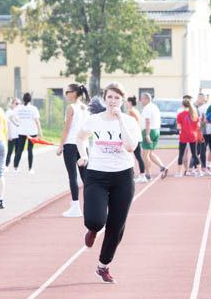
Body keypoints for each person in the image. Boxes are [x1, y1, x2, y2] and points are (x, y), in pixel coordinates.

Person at [77, 83, 141, 284]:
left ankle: (103, 265)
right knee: (95, 220)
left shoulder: (130, 121)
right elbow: (80, 138)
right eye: (110, 97)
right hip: (97, 175)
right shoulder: (94, 120)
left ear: (122, 101)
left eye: (117, 98)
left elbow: (131, 146)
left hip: (123, 177)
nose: (113, 101)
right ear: (104, 98)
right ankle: (93, 230)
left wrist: (121, 119)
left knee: (116, 225)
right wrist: (84, 155)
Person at [58, 83, 89, 217]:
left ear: (74, 93)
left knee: (73, 176)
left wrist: (60, 145)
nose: (66, 94)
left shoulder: (71, 107)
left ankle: (76, 207)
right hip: (83, 145)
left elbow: (67, 128)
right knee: (85, 177)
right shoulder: (86, 108)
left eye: (68, 92)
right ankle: (91, 205)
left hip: (71, 144)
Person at [139, 92, 168, 180]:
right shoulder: (155, 107)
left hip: (150, 131)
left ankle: (148, 175)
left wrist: (147, 135)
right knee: (150, 154)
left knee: (145, 155)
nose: (140, 101)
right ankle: (163, 167)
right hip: (156, 131)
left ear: (147, 99)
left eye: (142, 99)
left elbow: (148, 122)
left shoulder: (147, 108)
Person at [13, 92, 42, 173]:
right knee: (30, 150)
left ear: (23, 99)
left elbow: (13, 116)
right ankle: (30, 169)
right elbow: (37, 121)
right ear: (30, 99)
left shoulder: (19, 108)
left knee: (19, 150)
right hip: (32, 132)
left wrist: (17, 123)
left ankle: (15, 167)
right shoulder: (33, 108)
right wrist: (40, 131)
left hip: (21, 132)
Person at [177, 96, 201, 176]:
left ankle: (179, 172)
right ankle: (199, 172)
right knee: (194, 154)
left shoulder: (180, 114)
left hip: (184, 135)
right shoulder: (194, 114)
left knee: (181, 154)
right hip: (193, 135)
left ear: (183, 105)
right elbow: (198, 125)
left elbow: (178, 127)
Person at [126, 96, 148, 183]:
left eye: (127, 102)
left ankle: (142, 175)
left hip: (134, 136)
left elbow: (135, 123)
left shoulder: (132, 111)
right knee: (135, 156)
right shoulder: (134, 110)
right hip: (136, 136)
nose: (125, 103)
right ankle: (137, 174)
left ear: (130, 103)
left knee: (137, 156)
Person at [4, 98, 21, 167]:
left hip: (19, 135)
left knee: (17, 152)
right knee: (10, 151)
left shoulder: (19, 112)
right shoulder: (8, 112)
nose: (18, 105)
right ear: (12, 104)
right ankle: (6, 165)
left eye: (19, 104)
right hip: (12, 135)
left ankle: (15, 166)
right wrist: (9, 135)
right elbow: (7, 124)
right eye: (16, 103)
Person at [194, 93, 208, 172]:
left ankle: (203, 166)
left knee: (202, 150)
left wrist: (202, 122)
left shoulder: (205, 107)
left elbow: (204, 120)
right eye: (199, 98)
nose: (199, 100)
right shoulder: (195, 107)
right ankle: (194, 167)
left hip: (204, 132)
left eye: (201, 98)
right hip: (196, 132)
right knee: (196, 151)